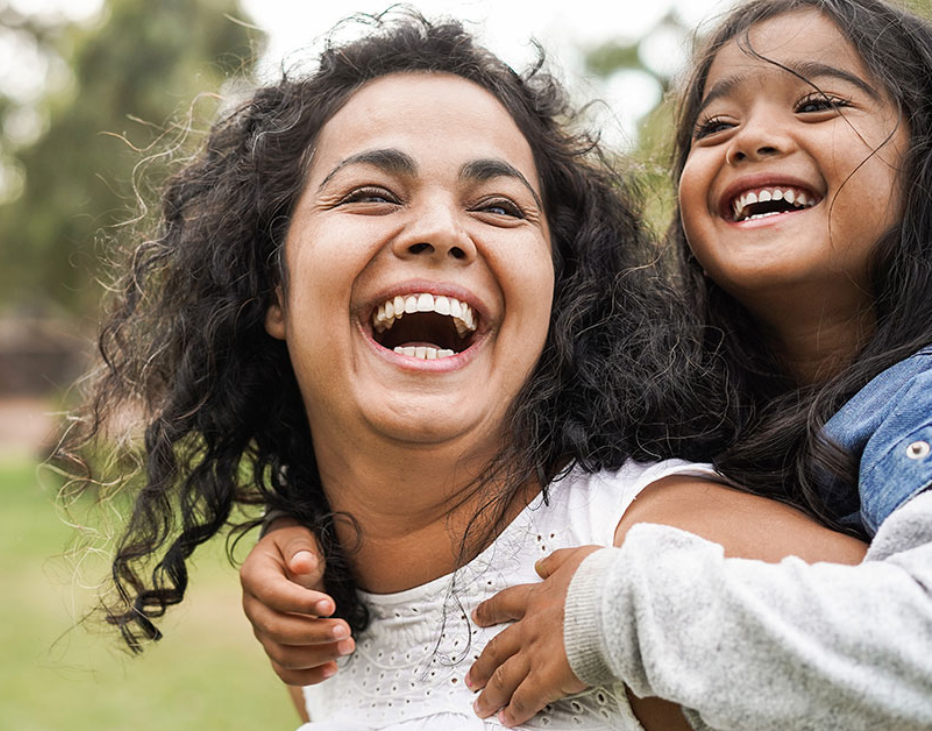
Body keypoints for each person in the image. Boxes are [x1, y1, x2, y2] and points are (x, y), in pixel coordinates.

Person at [63, 13, 864, 731]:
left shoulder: (659, 551)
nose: (442, 230)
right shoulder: (319, 625)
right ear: (273, 286)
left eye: (499, 206)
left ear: (560, 293)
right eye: (373, 193)